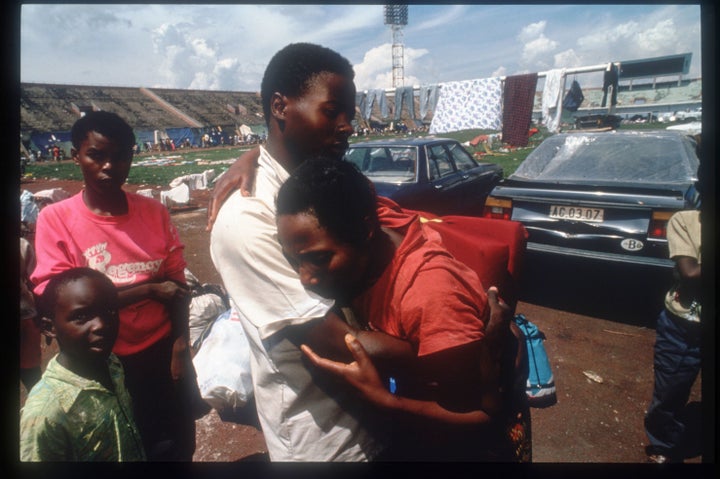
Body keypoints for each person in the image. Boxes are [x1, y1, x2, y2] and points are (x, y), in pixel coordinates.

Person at [210, 42, 395, 461]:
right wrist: (454, 355)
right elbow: (335, 343)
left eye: (351, 113)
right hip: (324, 440)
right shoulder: (248, 218)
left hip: (371, 422)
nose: (347, 126)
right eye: (332, 111)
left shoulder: (322, 185)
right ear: (280, 106)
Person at [276, 158, 531, 462]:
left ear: (365, 229)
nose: (305, 277)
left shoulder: (429, 295)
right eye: (294, 260)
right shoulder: (376, 223)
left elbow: (483, 415)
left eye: (319, 258)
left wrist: (385, 401)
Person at [30, 110, 203, 461]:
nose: (110, 166)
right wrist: (148, 290)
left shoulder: (154, 213)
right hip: (100, 360)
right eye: (96, 155)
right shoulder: (56, 220)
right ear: (76, 155)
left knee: (176, 443)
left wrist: (180, 347)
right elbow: (58, 302)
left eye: (121, 155)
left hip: (160, 349)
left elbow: (177, 287)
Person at [20, 267, 146, 461]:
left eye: (110, 311)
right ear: (49, 327)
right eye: (81, 316)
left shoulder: (111, 364)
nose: (101, 325)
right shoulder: (46, 413)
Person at [644, 136, 702, 464]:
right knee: (670, 392)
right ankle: (663, 444)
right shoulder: (686, 221)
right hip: (685, 325)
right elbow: (691, 274)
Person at [20, 236, 42, 391]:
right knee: (31, 374)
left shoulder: (22, 245)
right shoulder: (21, 244)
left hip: (25, 317)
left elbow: (35, 281)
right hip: (25, 314)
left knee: (32, 374)